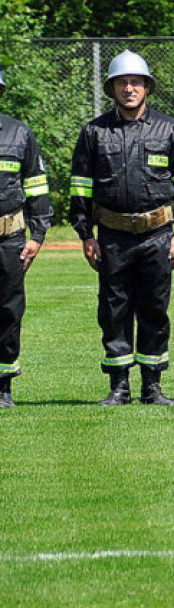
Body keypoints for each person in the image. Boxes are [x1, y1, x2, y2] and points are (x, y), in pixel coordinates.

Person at [70, 50, 174, 406]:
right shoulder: (94, 132)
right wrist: (86, 235)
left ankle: (152, 386)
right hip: (112, 238)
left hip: (159, 235)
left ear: (147, 87)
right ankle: (119, 386)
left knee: (155, 309)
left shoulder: (169, 130)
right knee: (114, 311)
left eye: (136, 82)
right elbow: (80, 188)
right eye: (122, 83)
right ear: (112, 88)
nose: (129, 88)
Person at [0, 64, 52, 408]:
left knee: (7, 311)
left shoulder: (19, 134)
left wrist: (38, 234)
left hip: (9, 239)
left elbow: (36, 185)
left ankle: (2, 387)